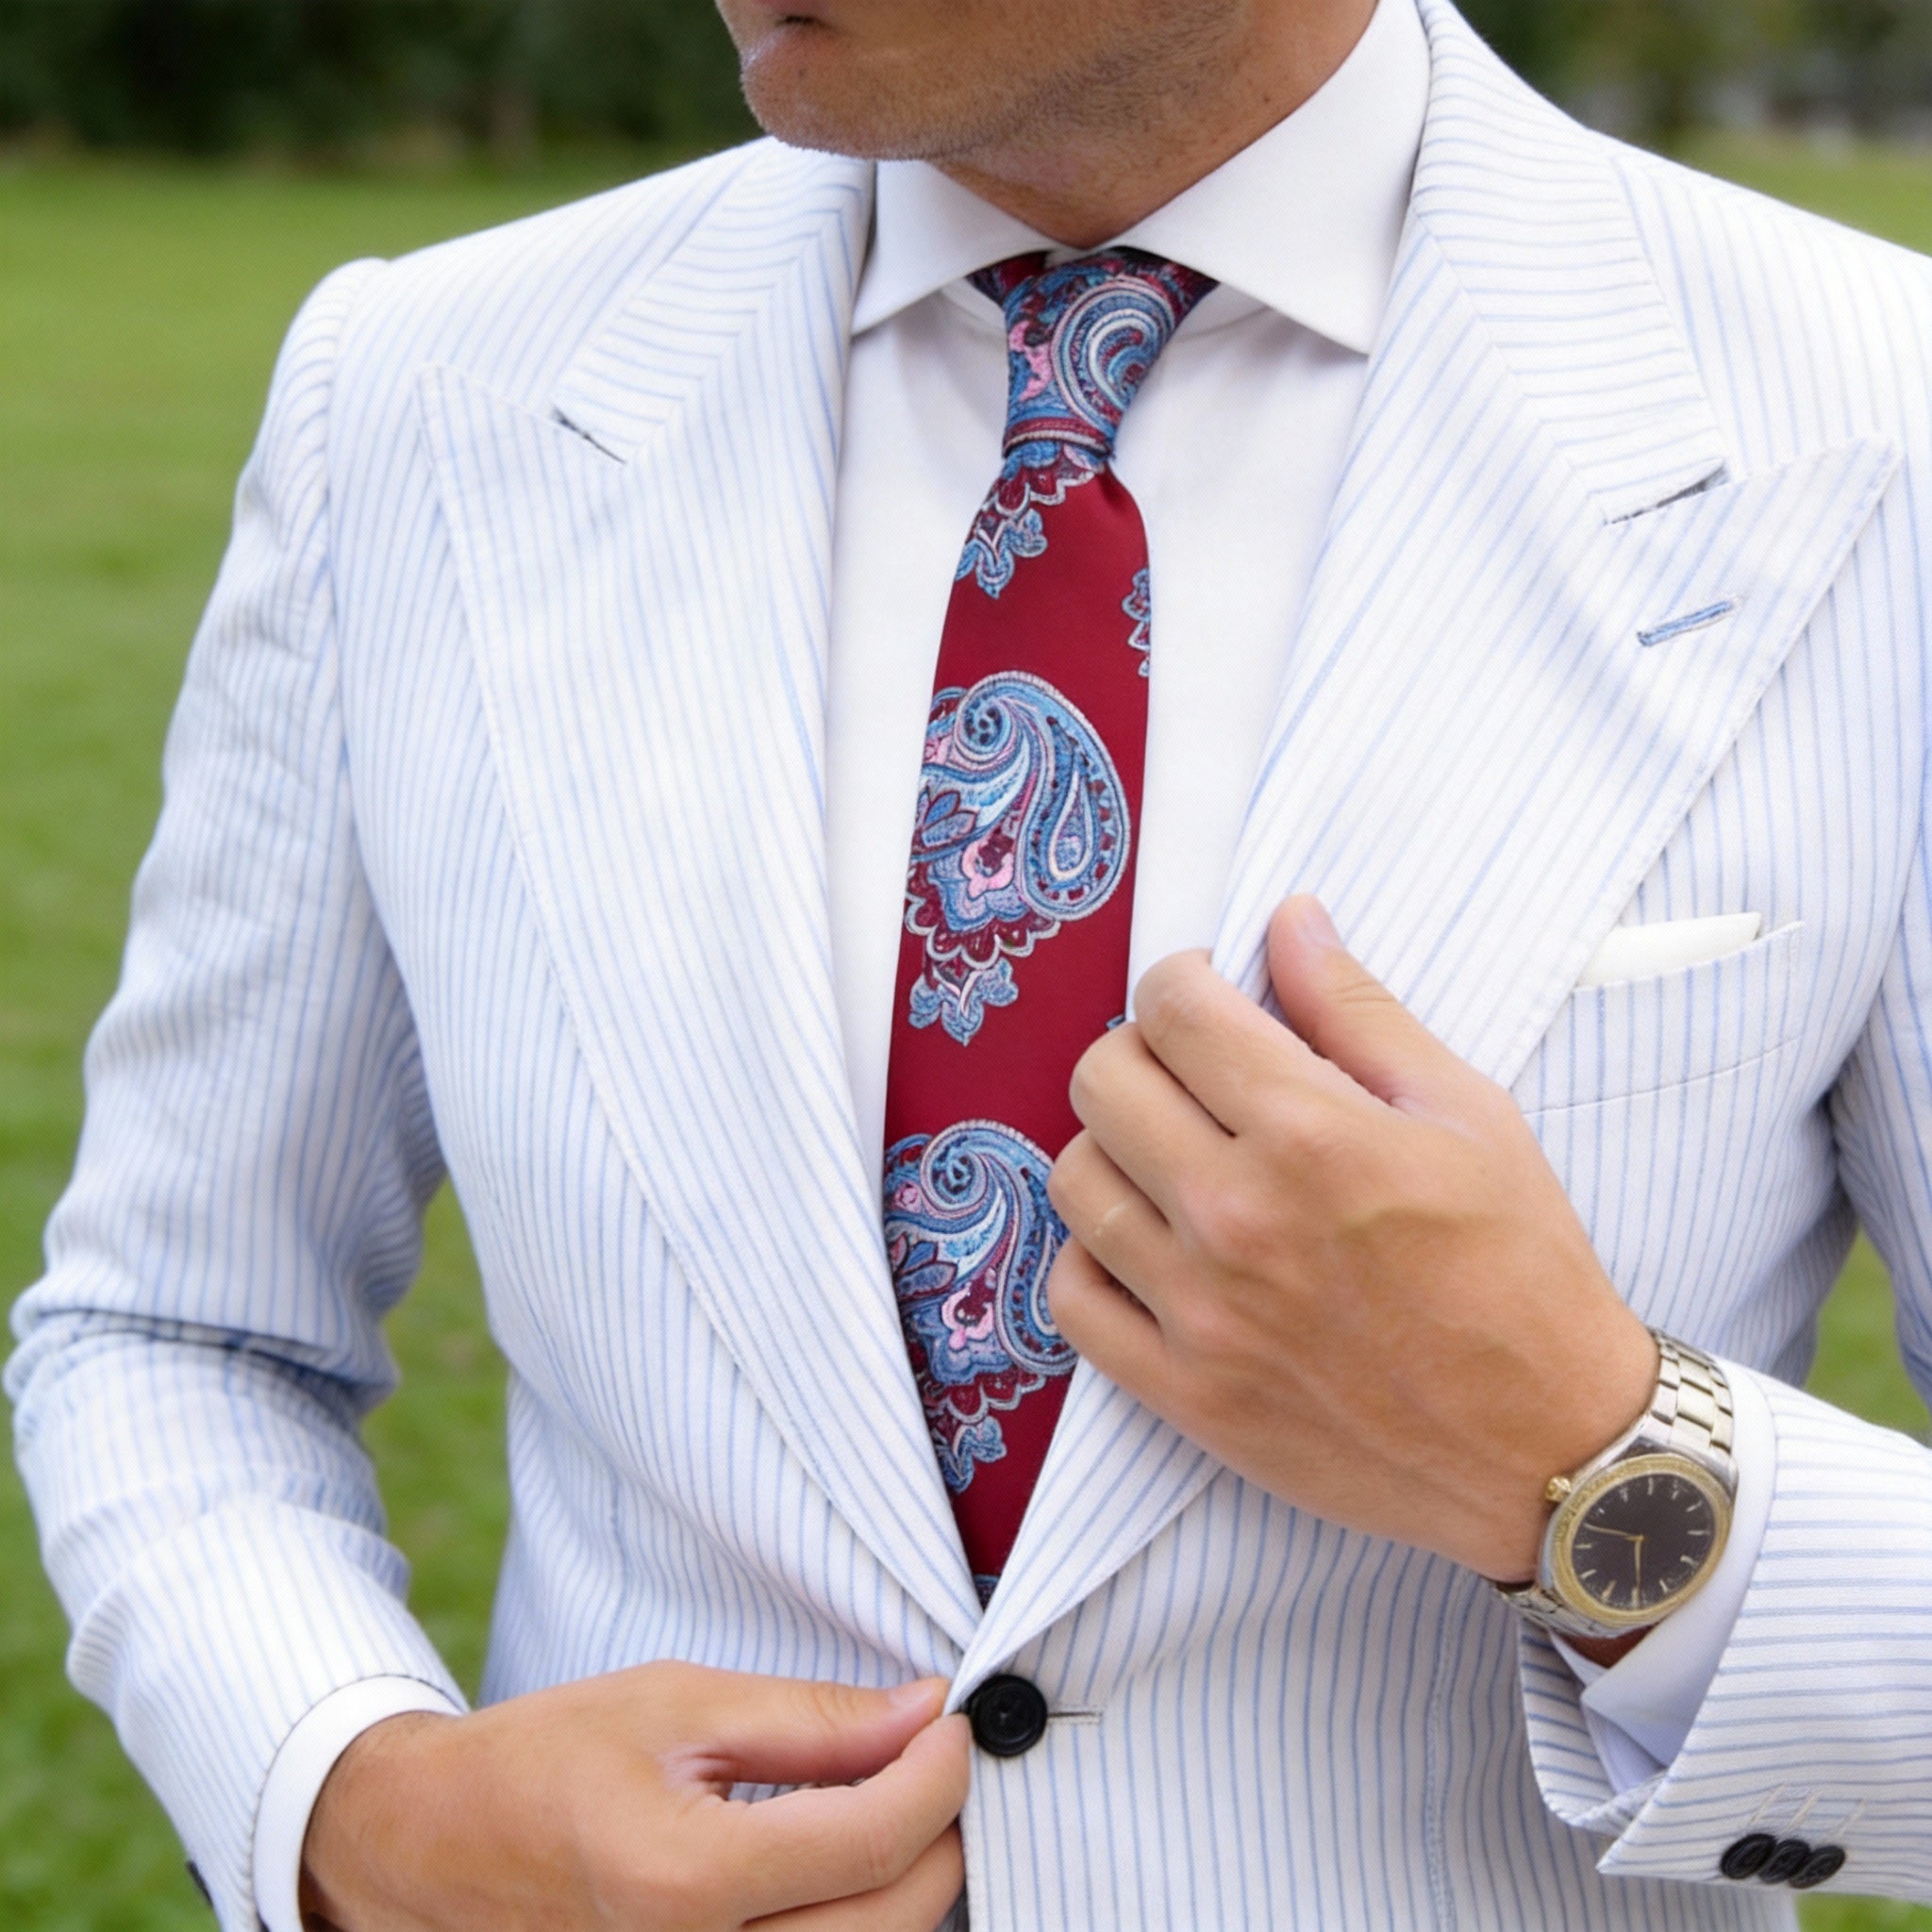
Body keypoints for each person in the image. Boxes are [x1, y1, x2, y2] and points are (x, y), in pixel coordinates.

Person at [12, 0, 1932, 1924]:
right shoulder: (421, 395)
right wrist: (357, 1802)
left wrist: (1592, 1469)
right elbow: (180, 1327)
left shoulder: (1877, 428)